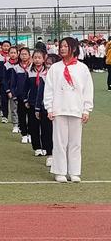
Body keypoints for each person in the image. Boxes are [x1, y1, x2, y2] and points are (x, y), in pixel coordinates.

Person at [44, 37, 94, 183]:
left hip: (76, 110)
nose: (62, 49)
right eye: (61, 46)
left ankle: (74, 172)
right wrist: (49, 107)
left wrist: (86, 109)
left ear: (73, 48)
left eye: (66, 46)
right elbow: (49, 89)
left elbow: (87, 90)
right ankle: (59, 171)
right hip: (59, 110)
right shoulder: (55, 68)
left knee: (75, 143)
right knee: (59, 142)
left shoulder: (82, 68)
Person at [35, 53, 61, 168]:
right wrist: (37, 108)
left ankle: (59, 155)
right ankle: (50, 154)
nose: (49, 66)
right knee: (46, 132)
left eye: (52, 64)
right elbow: (40, 94)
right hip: (46, 109)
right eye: (48, 64)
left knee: (59, 134)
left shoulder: (63, 76)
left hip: (60, 109)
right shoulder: (44, 76)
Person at [24, 49, 47, 157]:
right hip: (32, 102)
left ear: (44, 59)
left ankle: (45, 146)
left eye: (39, 58)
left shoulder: (48, 71)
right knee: (34, 126)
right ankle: (37, 147)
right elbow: (25, 87)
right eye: (35, 58)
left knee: (45, 127)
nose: (37, 60)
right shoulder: (29, 71)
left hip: (44, 104)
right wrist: (25, 100)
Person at [12, 47, 31, 144]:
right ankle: (24, 134)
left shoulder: (32, 67)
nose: (23, 56)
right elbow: (13, 83)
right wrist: (14, 94)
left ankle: (31, 134)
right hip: (20, 96)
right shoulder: (16, 68)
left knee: (31, 117)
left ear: (29, 55)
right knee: (22, 115)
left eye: (25, 54)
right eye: (22, 54)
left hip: (31, 96)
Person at [4, 46, 19, 133]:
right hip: (11, 90)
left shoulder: (21, 65)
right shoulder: (6, 65)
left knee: (21, 109)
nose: (13, 54)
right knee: (13, 108)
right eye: (11, 53)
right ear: (9, 54)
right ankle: (15, 125)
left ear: (18, 54)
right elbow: (5, 79)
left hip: (20, 90)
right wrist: (8, 90)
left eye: (14, 53)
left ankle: (21, 125)